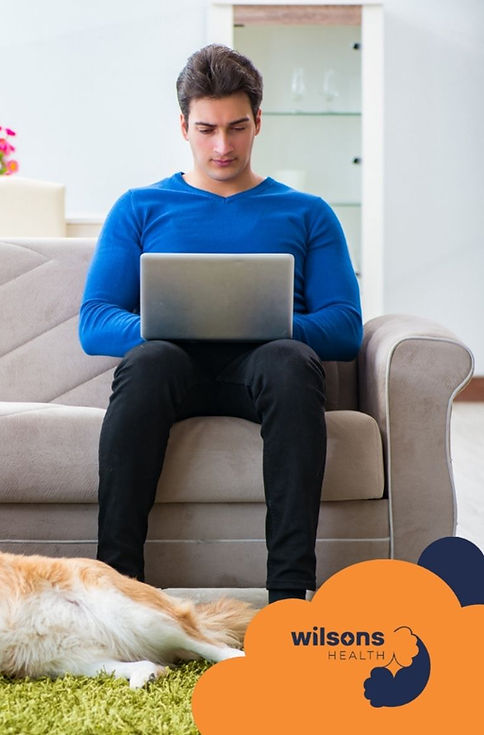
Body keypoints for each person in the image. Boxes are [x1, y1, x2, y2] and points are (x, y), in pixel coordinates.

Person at [79, 44, 362, 604]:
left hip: (265, 377)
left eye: (236, 128)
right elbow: (94, 321)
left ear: (258, 121)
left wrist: (274, 326)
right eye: (206, 129)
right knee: (149, 360)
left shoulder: (307, 212)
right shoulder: (140, 206)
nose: (222, 146)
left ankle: (288, 594)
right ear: (183, 125)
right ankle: (117, 592)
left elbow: (346, 327)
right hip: (170, 375)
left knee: (288, 359)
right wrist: (163, 324)